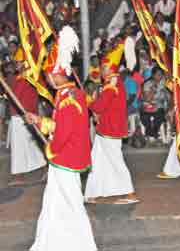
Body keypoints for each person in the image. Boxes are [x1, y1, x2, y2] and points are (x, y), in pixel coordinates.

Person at [26, 25, 97, 251]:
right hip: (65, 159)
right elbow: (59, 126)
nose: (47, 78)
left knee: (71, 204)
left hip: (66, 159)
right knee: (54, 203)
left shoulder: (68, 98)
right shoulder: (67, 94)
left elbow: (62, 135)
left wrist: (50, 149)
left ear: (57, 73)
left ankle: (84, 245)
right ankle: (52, 242)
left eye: (48, 74)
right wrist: (38, 120)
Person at [85, 40, 139, 205]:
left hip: (111, 131)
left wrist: (88, 100)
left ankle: (130, 193)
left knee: (116, 162)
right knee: (97, 161)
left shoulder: (112, 85)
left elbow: (100, 106)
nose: (101, 70)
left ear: (110, 68)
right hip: (105, 129)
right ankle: (92, 193)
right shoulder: (112, 83)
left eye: (103, 68)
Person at [7, 48, 46, 186]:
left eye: (18, 62)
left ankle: (20, 174)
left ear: (25, 62)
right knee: (29, 145)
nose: (16, 64)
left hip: (24, 116)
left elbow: (24, 98)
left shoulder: (28, 78)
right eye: (16, 62)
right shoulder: (21, 77)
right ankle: (43, 168)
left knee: (23, 146)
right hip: (19, 116)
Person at [141, 67, 171, 143]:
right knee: (145, 117)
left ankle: (152, 133)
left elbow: (169, 77)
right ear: (153, 75)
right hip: (148, 105)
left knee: (159, 115)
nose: (160, 77)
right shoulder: (148, 84)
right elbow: (148, 99)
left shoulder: (164, 83)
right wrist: (154, 89)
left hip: (159, 106)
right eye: (158, 75)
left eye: (161, 75)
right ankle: (151, 133)